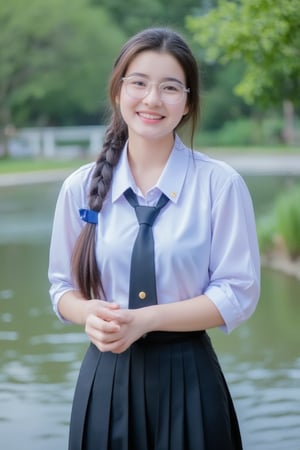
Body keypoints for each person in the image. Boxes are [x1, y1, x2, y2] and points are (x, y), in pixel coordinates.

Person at [48, 27, 260, 450]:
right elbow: (61, 289)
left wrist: (147, 319)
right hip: (105, 381)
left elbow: (237, 293)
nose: (152, 100)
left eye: (169, 87)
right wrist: (88, 313)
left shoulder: (220, 185)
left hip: (189, 379)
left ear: (187, 102)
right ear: (117, 91)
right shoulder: (79, 187)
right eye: (139, 83)